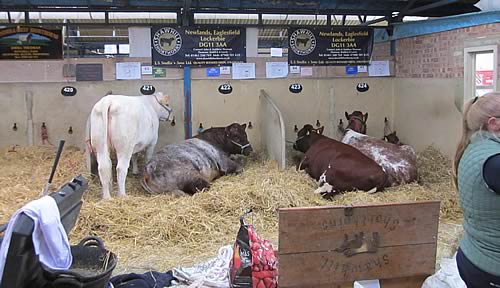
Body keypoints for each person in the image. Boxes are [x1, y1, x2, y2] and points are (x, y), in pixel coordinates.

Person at [453, 92, 500, 287]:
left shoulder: (475, 147)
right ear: (494, 123)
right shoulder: (494, 162)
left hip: (474, 255)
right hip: (491, 266)